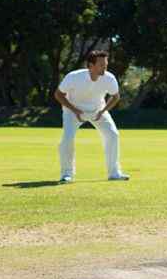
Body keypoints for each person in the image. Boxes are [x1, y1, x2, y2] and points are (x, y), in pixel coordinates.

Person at [53, 50, 129, 183]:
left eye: (106, 64)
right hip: (73, 111)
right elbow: (58, 94)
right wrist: (75, 110)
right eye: (101, 65)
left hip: (98, 110)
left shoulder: (109, 78)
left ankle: (114, 173)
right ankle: (67, 174)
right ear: (90, 65)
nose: (105, 68)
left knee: (113, 135)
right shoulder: (73, 77)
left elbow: (115, 97)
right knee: (67, 140)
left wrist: (103, 111)